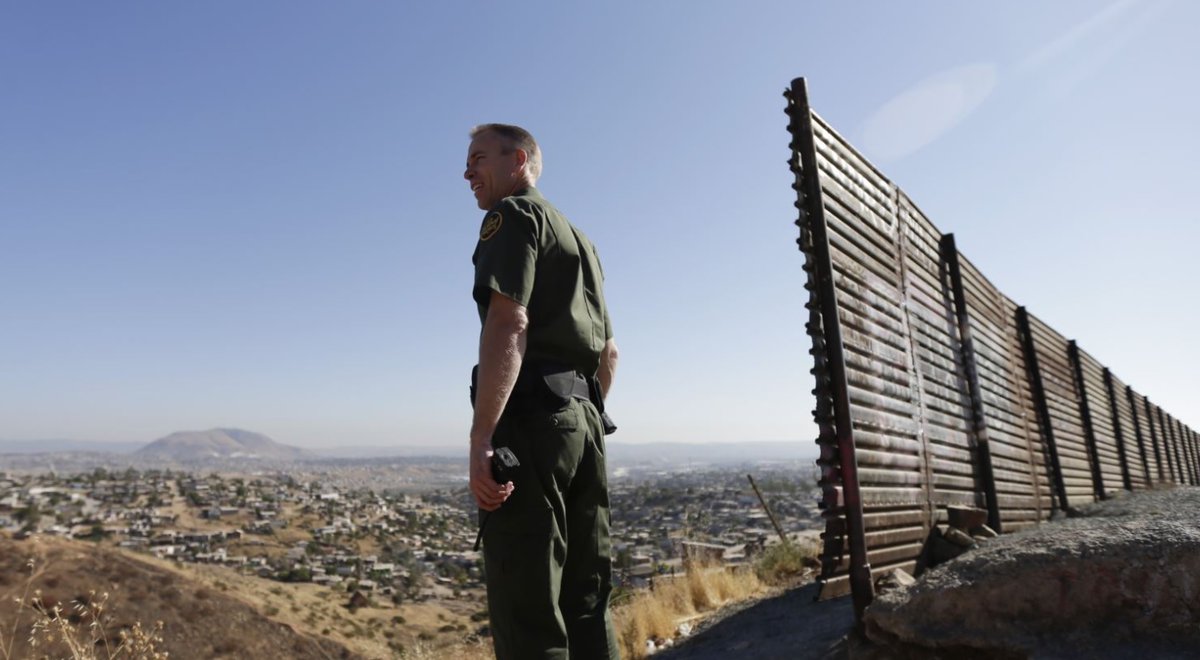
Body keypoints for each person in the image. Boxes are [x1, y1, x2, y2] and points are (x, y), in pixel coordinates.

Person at [464, 123, 621, 660]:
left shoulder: (513, 217)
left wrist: (483, 436)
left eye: (479, 157)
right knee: (587, 599)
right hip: (586, 423)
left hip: (533, 423)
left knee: (528, 607)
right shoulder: (583, 242)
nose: (466, 172)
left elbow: (509, 321)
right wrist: (580, 414)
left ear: (520, 160)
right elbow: (610, 354)